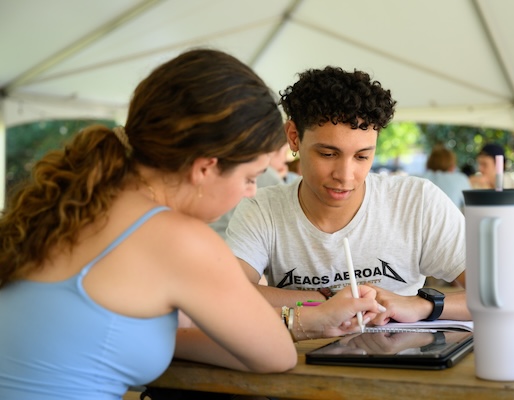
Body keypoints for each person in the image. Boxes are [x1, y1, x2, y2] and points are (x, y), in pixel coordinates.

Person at [0, 49, 383, 400]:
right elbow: (275, 355)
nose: (251, 192)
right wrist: (303, 321)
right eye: (250, 177)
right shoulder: (179, 239)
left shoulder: (70, 207)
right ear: (205, 168)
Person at [225, 66, 471, 330]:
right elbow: (225, 294)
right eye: (328, 154)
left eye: (362, 156)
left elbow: (498, 294)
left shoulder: (416, 201)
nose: (345, 175)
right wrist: (326, 302)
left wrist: (421, 306)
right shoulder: (263, 209)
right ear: (294, 137)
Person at [420, 145, 471, 210]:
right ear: (452, 166)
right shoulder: (460, 179)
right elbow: (470, 205)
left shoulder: (420, 179)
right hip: (452, 216)